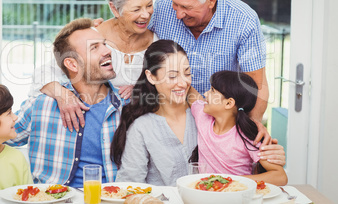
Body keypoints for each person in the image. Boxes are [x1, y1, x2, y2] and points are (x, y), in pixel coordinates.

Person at [111, 40, 285, 186]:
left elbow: (234, 122)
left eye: (187, 73)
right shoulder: (142, 127)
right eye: (172, 76)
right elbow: (129, 186)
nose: (183, 82)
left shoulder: (207, 115)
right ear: (151, 77)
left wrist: (254, 126)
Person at [30, 0, 158, 131]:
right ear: (114, 8)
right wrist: (63, 95)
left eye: (149, 5)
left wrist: (144, 89)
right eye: (136, 9)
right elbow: (43, 75)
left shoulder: (157, 43)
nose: (145, 14)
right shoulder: (93, 38)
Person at [5, 18, 128, 187]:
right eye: (94, 47)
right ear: (72, 64)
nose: (107, 51)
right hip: (52, 198)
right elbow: (1, 137)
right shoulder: (41, 105)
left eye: (104, 44)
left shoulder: (127, 106)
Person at [148, 0, 269, 128]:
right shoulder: (161, 8)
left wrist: (251, 128)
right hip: (168, 119)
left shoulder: (244, 20)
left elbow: (256, 85)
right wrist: (99, 28)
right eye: (175, 4)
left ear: (211, 0)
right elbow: (129, 32)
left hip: (219, 124)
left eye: (186, 7)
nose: (178, 14)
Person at [191, 70, 287, 185]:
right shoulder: (202, 115)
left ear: (228, 103)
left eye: (212, 90)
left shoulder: (247, 136)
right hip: (206, 193)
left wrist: (234, 181)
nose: (205, 94)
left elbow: (280, 177)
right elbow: (187, 89)